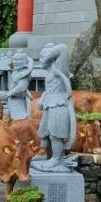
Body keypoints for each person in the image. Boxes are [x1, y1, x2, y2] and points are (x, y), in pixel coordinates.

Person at [31, 43, 77, 172]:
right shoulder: (50, 71)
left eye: (43, 56)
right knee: (44, 133)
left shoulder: (59, 68)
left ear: (52, 56)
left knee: (55, 135)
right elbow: (49, 90)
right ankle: (44, 154)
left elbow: (63, 48)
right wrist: (42, 99)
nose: (41, 59)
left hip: (59, 105)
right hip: (49, 105)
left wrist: (47, 57)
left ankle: (56, 159)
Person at [0, 50, 33, 121]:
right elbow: (10, 65)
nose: (14, 63)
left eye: (17, 61)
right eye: (14, 61)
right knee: (12, 116)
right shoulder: (16, 71)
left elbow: (21, 87)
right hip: (13, 99)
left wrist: (11, 93)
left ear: (24, 62)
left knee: (20, 117)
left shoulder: (24, 73)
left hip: (19, 99)